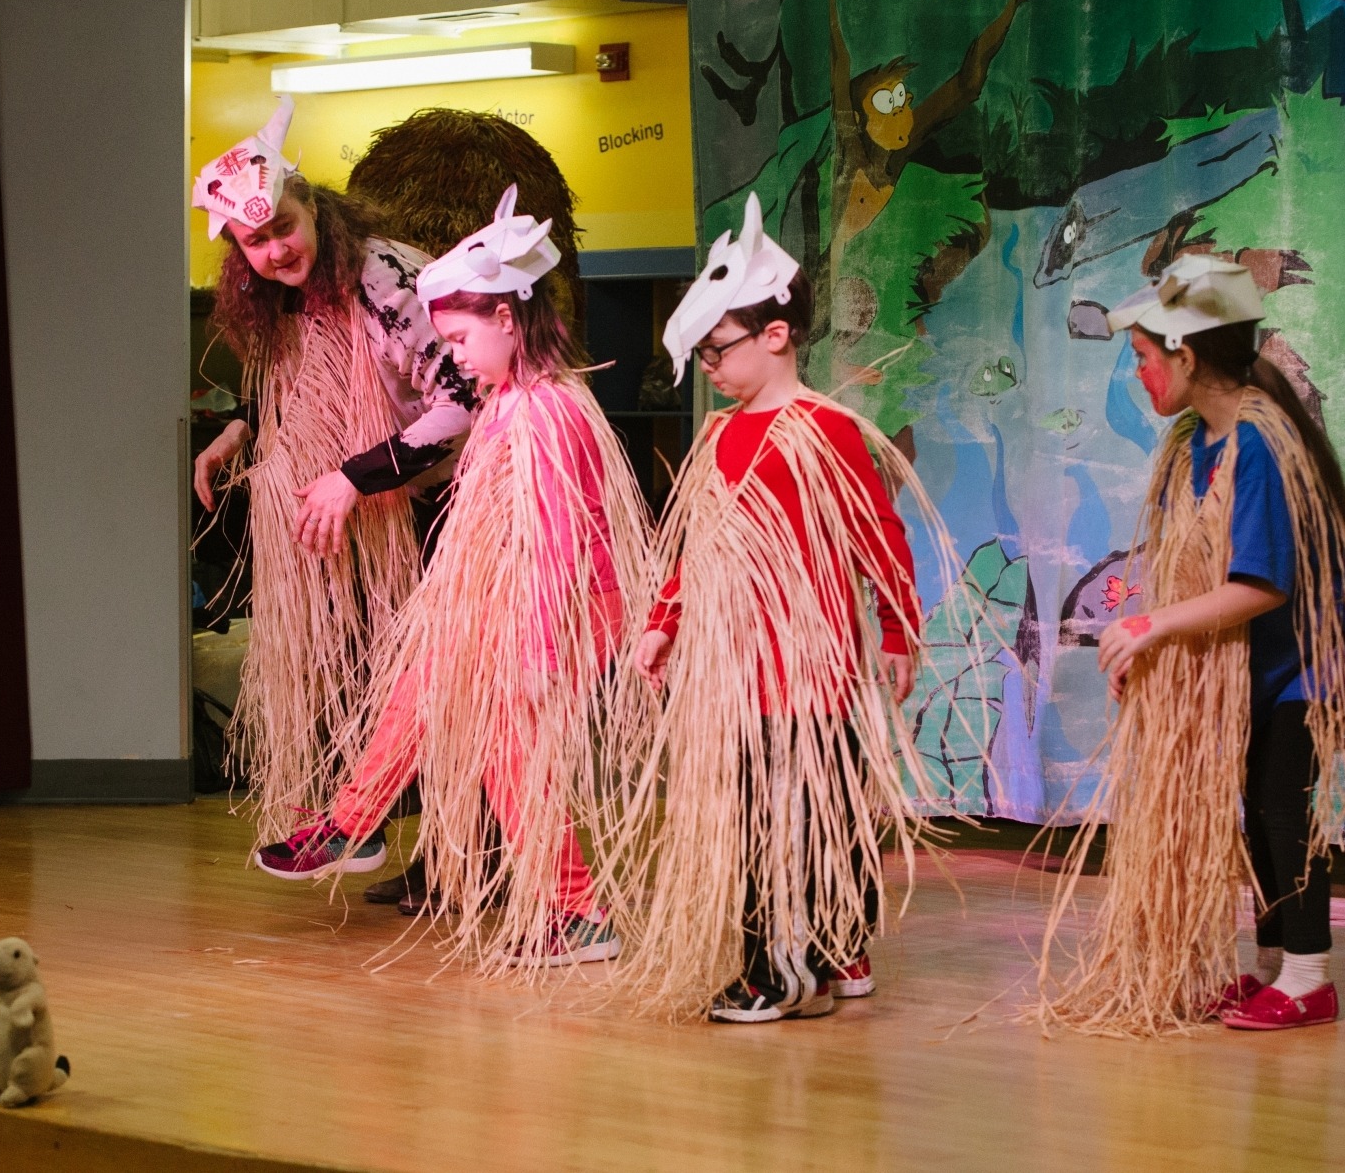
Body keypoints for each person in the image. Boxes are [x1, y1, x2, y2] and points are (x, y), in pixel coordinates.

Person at [254, 188, 655, 971]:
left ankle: (578, 911)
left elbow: (556, 544)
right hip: (515, 597)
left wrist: (537, 651)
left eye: (463, 338)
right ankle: (353, 823)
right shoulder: (511, 399)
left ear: (508, 319)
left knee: (509, 743)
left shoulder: (546, 414)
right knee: (423, 681)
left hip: (566, 606)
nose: (456, 358)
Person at [609, 194, 971, 1024]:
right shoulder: (715, 438)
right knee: (753, 819)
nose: (709, 364)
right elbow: (694, 544)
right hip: (737, 674)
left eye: (717, 348)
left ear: (776, 336)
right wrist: (664, 621)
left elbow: (879, 534)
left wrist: (894, 630)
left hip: (812, 671)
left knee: (820, 813)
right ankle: (804, 950)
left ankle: (788, 966)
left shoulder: (827, 429)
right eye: (700, 351)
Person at [1038, 255, 1345, 1036]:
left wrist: (1153, 627)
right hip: (1268, 653)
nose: (1138, 374)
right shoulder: (1193, 444)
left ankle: (1310, 973)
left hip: (1319, 646)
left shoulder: (1260, 441)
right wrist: (1149, 648)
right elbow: (1191, 569)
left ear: (1187, 352)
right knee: (1255, 794)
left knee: (1281, 797)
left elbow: (1263, 586)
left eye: (1142, 357)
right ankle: (1277, 965)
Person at [189, 97, 477, 870]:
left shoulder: (382, 275)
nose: (277, 248)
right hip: (394, 505)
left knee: (447, 683)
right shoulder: (291, 293)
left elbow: (465, 399)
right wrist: (239, 428)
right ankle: (407, 843)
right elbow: (305, 381)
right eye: (258, 240)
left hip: (464, 497)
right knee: (374, 666)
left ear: (313, 205)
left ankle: (447, 855)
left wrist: (352, 479)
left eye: (285, 226)